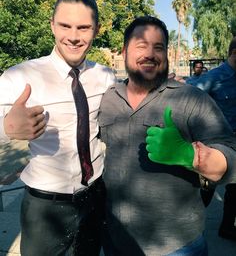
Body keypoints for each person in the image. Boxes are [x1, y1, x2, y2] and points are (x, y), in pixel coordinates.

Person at [98, 16, 236, 256]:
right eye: (141, 45)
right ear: (124, 51)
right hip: (115, 240)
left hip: (176, 245)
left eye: (158, 47)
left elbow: (233, 159)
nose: (150, 53)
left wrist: (190, 155)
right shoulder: (108, 98)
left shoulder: (190, 99)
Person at [0, 0, 116, 256]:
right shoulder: (20, 76)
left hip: (94, 198)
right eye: (65, 25)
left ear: (96, 30)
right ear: (52, 25)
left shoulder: (106, 76)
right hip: (44, 207)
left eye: (83, 27)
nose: (74, 37)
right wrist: (6, 128)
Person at [196, 37, 236, 241]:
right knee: (207, 188)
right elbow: (192, 95)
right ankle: (190, 228)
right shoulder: (215, 77)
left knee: (235, 190)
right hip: (217, 142)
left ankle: (227, 227)